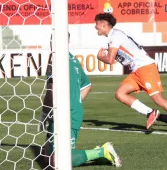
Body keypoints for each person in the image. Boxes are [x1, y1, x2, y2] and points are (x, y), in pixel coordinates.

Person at [94, 12, 167, 135]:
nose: (95, 27)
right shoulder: (113, 37)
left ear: (104, 24)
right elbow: (116, 58)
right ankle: (150, 112)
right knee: (120, 94)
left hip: (145, 67)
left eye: (97, 24)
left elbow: (109, 60)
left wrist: (100, 58)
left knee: (158, 99)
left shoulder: (115, 36)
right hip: (137, 71)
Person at [39, 32, 122, 168]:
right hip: (68, 111)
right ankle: (96, 156)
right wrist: (75, 103)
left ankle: (101, 152)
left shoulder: (55, 59)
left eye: (53, 39)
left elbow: (50, 89)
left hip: (67, 113)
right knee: (47, 156)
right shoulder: (72, 59)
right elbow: (87, 86)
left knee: (58, 161)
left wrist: (44, 115)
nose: (51, 42)